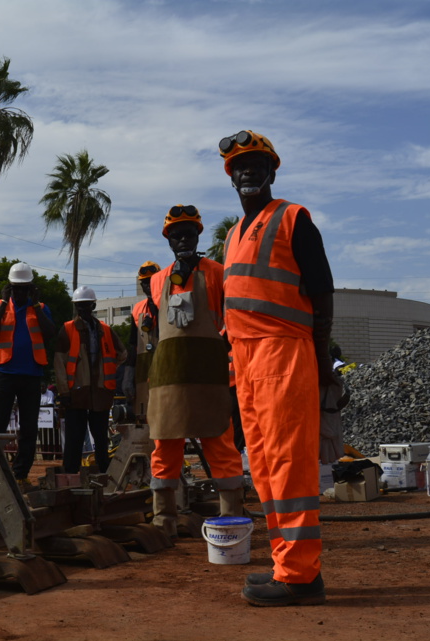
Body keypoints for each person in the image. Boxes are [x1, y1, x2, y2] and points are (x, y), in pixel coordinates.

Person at [219, 130, 336, 606]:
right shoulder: (232, 235)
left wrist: (322, 356)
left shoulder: (293, 219)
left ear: (272, 171)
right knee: (264, 466)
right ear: (231, 178)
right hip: (246, 359)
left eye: (256, 164)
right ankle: (286, 565)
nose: (247, 171)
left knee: (289, 463)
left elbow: (323, 293)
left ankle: (303, 578)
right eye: (239, 166)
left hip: (284, 353)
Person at [146, 206, 243, 537]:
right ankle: (163, 518)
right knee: (165, 446)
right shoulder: (158, 281)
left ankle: (230, 514)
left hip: (207, 375)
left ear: (198, 235)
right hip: (167, 378)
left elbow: (233, 319)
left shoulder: (218, 273)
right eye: (177, 234)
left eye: (189, 233)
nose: (183, 239)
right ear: (168, 240)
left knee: (219, 441)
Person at [0, 261, 57, 481]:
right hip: (5, 373)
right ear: (10, 287)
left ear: (31, 288)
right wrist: (5, 302)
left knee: (29, 429)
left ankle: (20, 475)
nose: (20, 292)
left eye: (25, 288)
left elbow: (50, 332)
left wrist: (34, 304)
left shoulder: (41, 308)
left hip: (32, 374)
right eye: (16, 288)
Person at [53, 286, 126, 474]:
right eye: (79, 306)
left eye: (86, 306)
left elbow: (121, 354)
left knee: (101, 437)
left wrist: (107, 370)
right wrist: (64, 392)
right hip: (76, 393)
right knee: (74, 438)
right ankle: (70, 474)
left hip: (100, 393)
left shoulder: (106, 330)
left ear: (93, 305)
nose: (83, 310)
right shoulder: (68, 329)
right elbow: (59, 363)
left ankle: (104, 474)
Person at [122, 262, 160, 419]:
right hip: (145, 372)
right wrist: (128, 376)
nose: (148, 286)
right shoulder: (138, 309)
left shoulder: (172, 303)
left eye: (152, 281)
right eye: (144, 283)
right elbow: (133, 345)